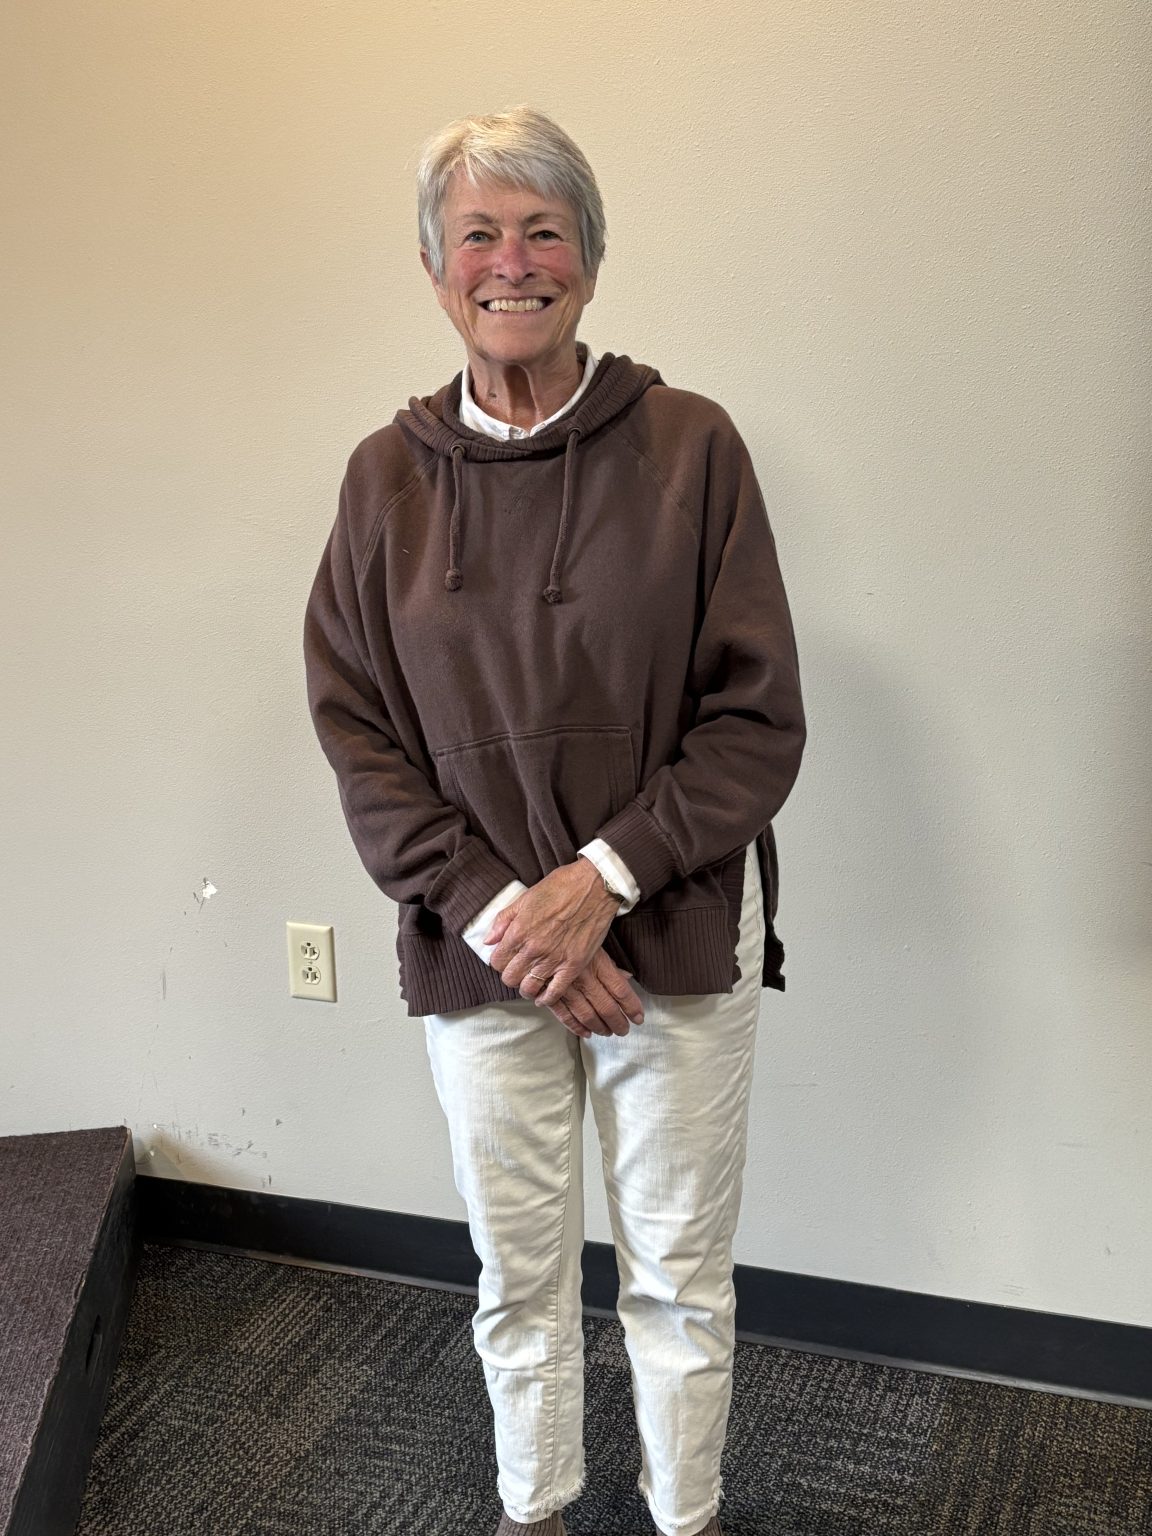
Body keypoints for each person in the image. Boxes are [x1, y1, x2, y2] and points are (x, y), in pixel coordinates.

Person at [303, 104, 806, 1536]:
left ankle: (685, 1517)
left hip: (677, 926)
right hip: (483, 950)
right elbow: (359, 733)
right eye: (479, 234)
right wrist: (508, 913)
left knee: (677, 1278)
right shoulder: (382, 480)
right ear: (434, 268)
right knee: (517, 1277)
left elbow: (755, 718)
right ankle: (536, 1512)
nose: (512, 262)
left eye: (544, 231)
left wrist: (600, 882)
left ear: (590, 256)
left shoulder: (693, 448)